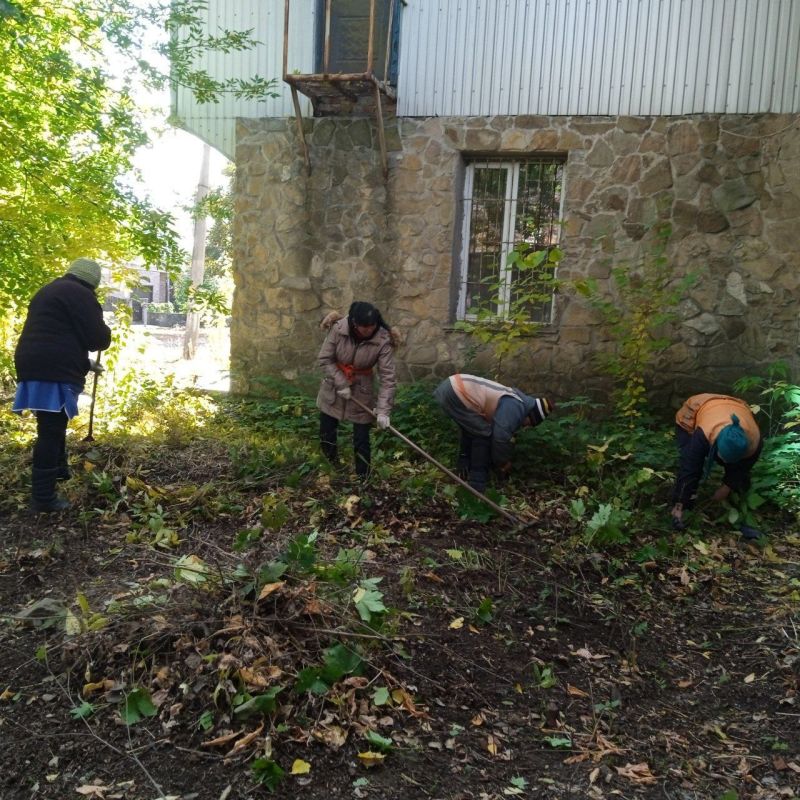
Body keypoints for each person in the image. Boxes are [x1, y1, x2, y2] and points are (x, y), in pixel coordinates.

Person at [13, 258, 112, 512]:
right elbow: (98, 339)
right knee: (51, 429)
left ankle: (59, 470)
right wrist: (105, 330)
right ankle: (43, 498)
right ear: (92, 282)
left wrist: (85, 363)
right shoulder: (82, 295)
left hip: (31, 363)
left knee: (50, 422)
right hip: (54, 369)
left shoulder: (49, 290)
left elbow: (55, 335)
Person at [316, 302, 397, 481]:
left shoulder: (383, 339)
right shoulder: (338, 329)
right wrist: (341, 382)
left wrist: (383, 410)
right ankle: (332, 467)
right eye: (364, 327)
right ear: (354, 322)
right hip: (333, 385)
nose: (369, 330)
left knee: (362, 437)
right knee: (327, 430)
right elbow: (325, 359)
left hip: (362, 389)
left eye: (372, 326)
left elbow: (388, 378)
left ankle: (363, 478)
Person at [434, 373, 554, 492]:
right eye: (530, 423)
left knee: (471, 431)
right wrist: (503, 462)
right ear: (531, 415)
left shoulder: (514, 397)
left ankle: (463, 468)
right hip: (457, 391)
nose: (526, 426)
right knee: (483, 434)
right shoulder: (515, 405)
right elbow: (500, 437)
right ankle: (477, 485)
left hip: (450, 386)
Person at [670, 393, 763, 538]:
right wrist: (679, 503)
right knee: (691, 461)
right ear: (715, 445)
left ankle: (738, 505)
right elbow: (689, 468)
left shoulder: (754, 442)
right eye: (723, 458)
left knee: (738, 475)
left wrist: (727, 487)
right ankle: (687, 503)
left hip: (735, 406)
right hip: (696, 409)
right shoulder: (704, 435)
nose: (726, 463)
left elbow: (743, 468)